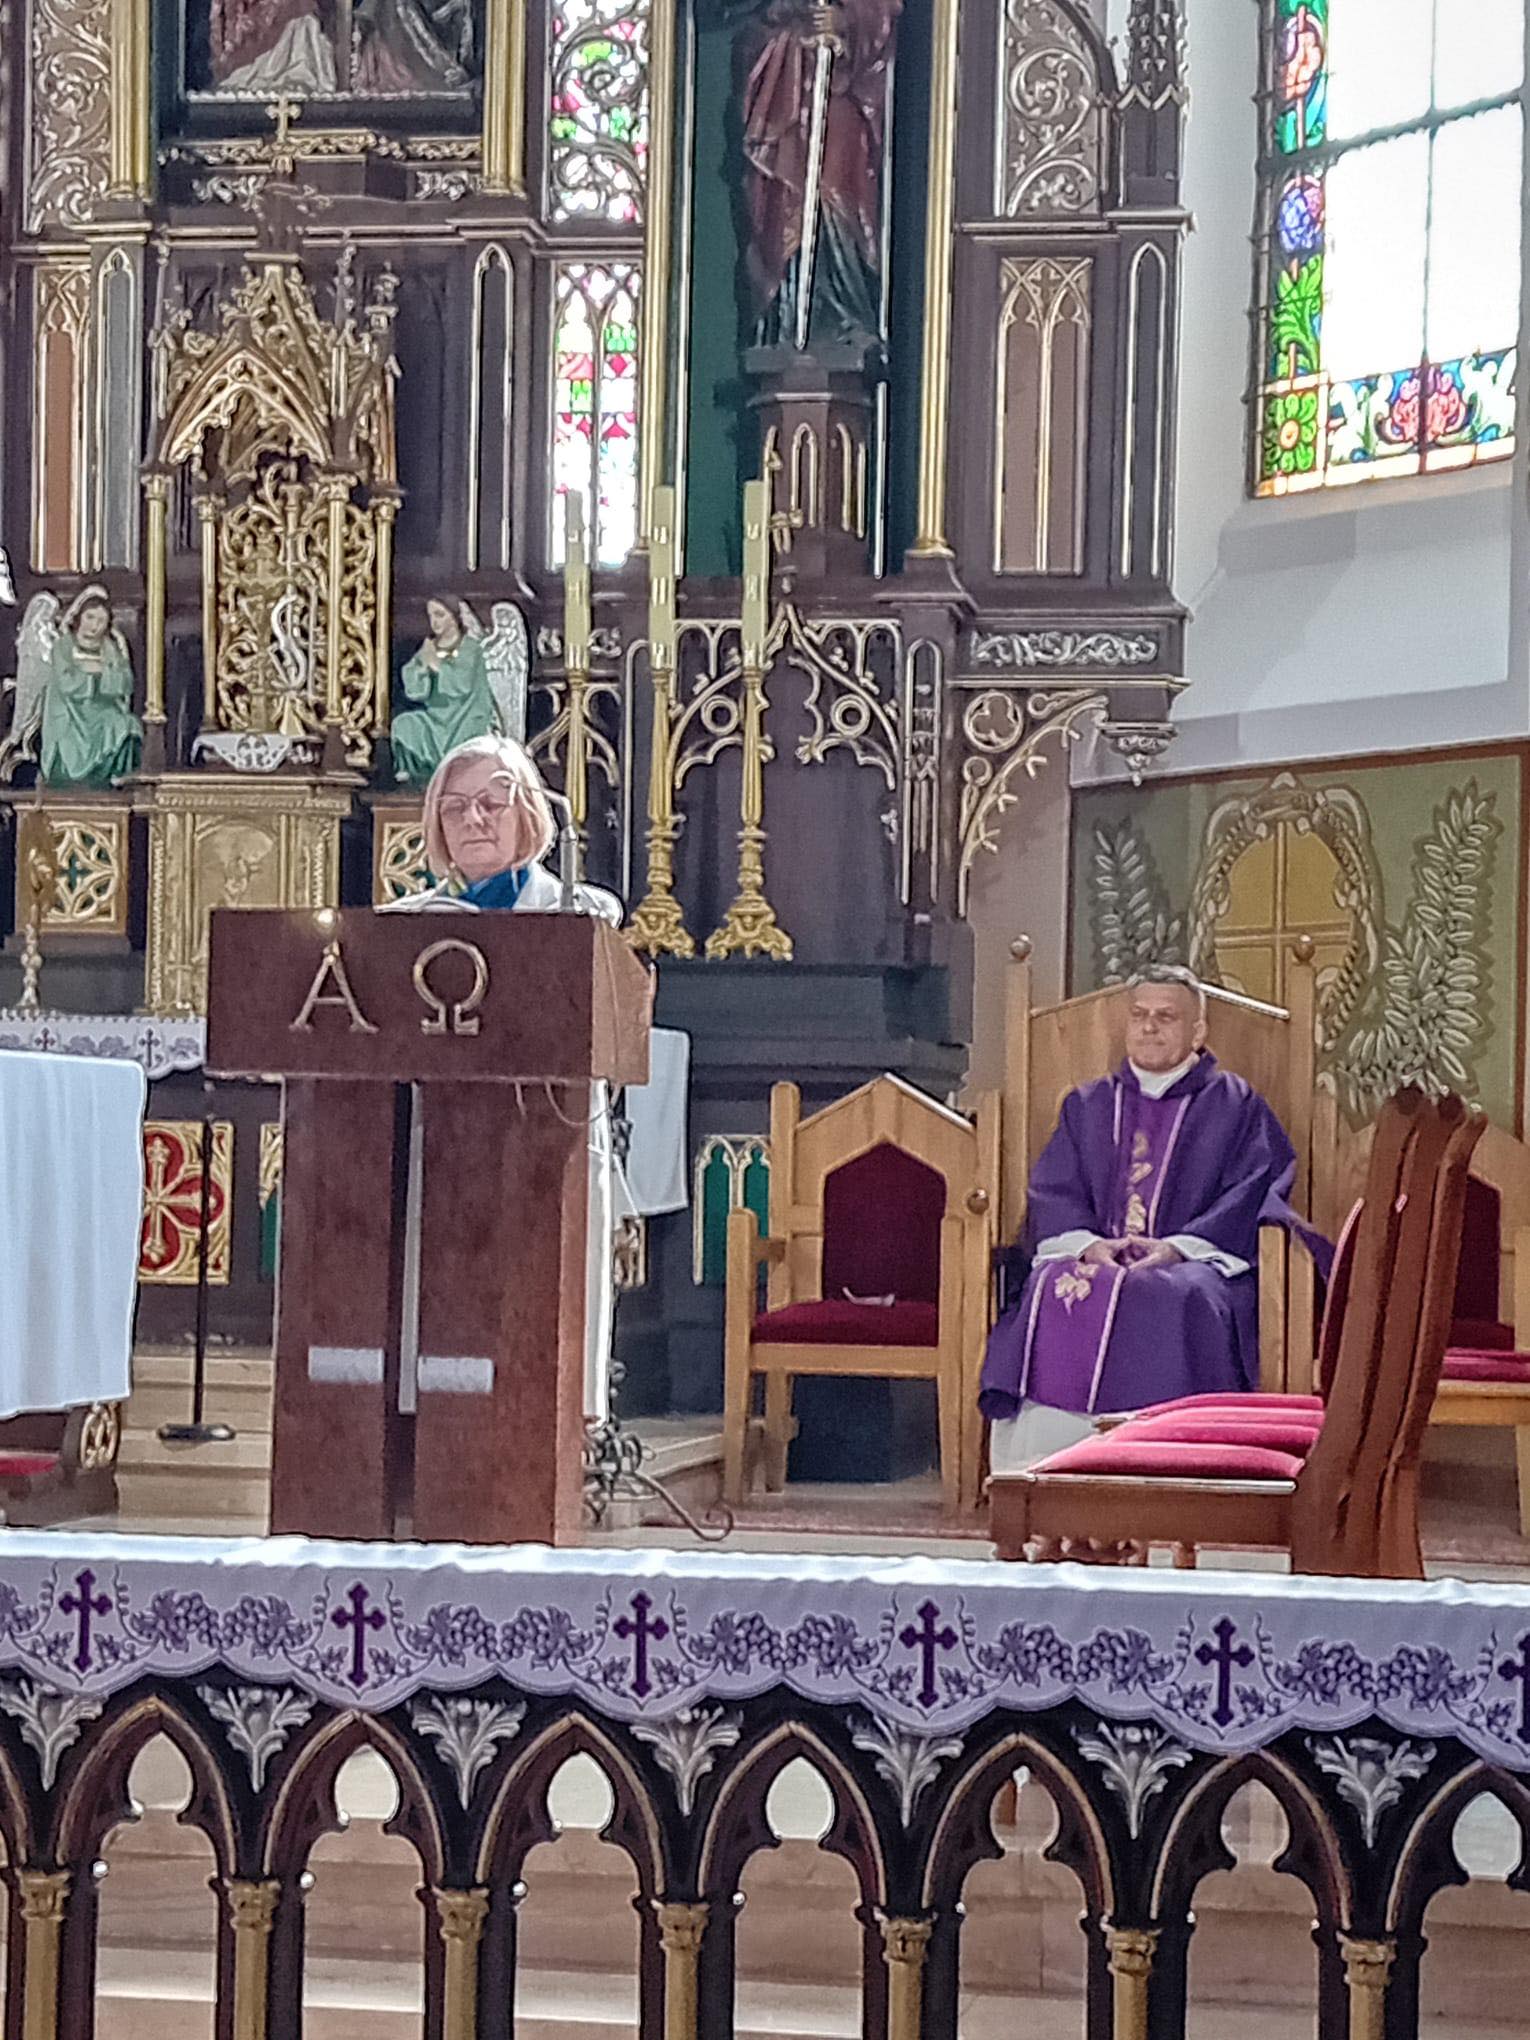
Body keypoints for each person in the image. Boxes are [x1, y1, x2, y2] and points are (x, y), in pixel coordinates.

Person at [979, 965, 1328, 1472]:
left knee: (1178, 1293)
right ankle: (1044, 1467)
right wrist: (1088, 1246)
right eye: (1139, 1015)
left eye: (1166, 1017)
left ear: (1197, 1031)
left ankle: (1169, 1464)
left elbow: (1253, 1189)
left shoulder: (1236, 1105)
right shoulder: (1088, 1104)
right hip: (1096, 1254)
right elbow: (1055, 1189)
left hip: (1195, 1262)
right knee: (1054, 1285)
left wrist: (1179, 1248)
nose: (1149, 1026)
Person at [381, 735, 628, 1423]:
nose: (474, 819)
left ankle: (561, 1427)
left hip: (546, 1145)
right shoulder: (405, 929)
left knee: (539, 1330)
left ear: (531, 815)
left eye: (493, 803)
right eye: (455, 807)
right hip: (440, 1145)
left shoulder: (582, 915)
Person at [390, 599, 499, 789]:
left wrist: (436, 664)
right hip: (435, 721)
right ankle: (416, 776)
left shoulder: (470, 648)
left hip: (465, 719)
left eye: (440, 615)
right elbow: (414, 689)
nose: (434, 621)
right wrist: (421, 671)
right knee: (403, 724)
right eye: (431, 616)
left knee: (472, 745)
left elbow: (461, 685)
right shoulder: (430, 648)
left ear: (454, 616)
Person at [40, 587, 142, 788]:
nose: (94, 626)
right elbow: (66, 682)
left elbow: (125, 682)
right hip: (71, 711)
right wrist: (96, 675)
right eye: (90, 617)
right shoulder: (63, 646)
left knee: (127, 724)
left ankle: (115, 777)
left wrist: (99, 674)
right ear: (79, 617)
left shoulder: (110, 647)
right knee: (69, 737)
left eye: (101, 621)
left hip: (102, 708)